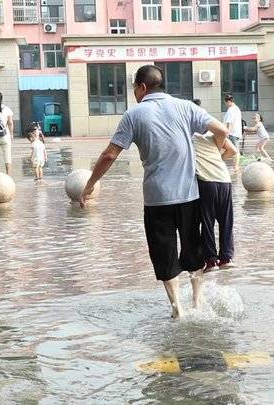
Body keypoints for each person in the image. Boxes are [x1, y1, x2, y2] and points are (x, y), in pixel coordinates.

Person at [79, 65, 230, 319]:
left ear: (141, 87)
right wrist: (214, 158)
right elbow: (223, 131)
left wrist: (90, 184)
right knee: (193, 250)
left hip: (157, 198)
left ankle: (177, 309)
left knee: (164, 253)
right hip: (189, 195)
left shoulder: (134, 114)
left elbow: (109, 154)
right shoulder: (186, 107)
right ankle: (197, 301)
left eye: (134, 89)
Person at [191, 99, 238, 272]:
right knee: (226, 221)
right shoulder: (213, 135)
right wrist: (218, 159)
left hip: (206, 182)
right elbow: (233, 151)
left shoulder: (189, 136)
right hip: (224, 180)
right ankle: (226, 258)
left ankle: (211, 261)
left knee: (207, 221)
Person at [222, 94, 242, 171]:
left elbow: (229, 123)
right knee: (233, 149)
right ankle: (235, 166)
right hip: (236, 132)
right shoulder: (237, 109)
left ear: (229, 102)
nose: (226, 105)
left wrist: (226, 133)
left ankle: (235, 167)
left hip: (232, 133)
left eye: (226, 103)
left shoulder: (231, 110)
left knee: (234, 150)